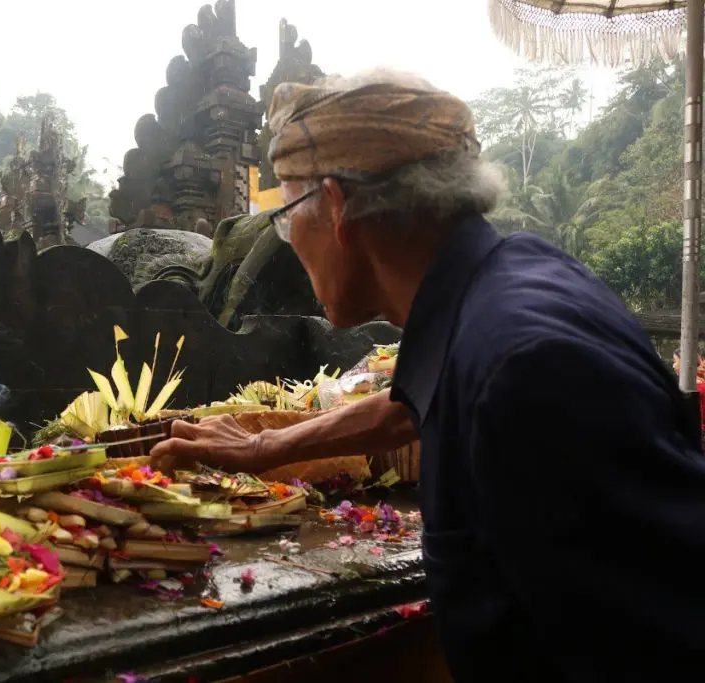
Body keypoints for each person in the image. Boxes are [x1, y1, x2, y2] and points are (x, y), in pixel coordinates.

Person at [150, 68, 705, 681]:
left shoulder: (526, 372)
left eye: (286, 215)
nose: (288, 238)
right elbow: (414, 400)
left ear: (335, 206)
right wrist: (265, 446)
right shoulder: (505, 279)